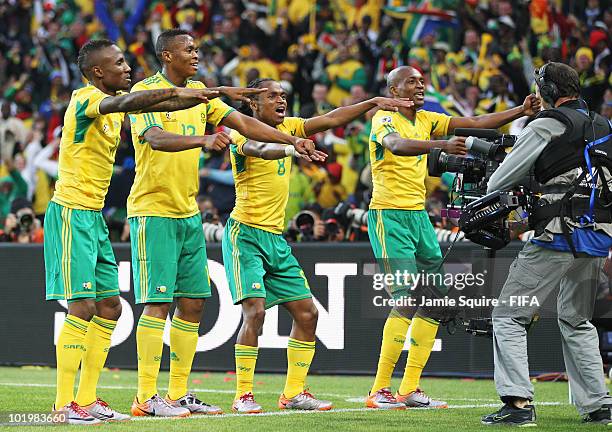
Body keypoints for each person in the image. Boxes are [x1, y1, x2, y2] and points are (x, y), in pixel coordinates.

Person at [127, 29, 319, 418]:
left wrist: (290, 141)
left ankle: (178, 394)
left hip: (188, 212)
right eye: (189, 49)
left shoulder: (199, 92)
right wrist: (201, 142)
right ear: (167, 55)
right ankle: (146, 396)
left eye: (197, 48)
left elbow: (244, 125)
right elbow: (156, 138)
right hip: (153, 209)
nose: (196, 54)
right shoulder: (146, 93)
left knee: (194, 304)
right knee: (158, 303)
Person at [44, 38, 220, 425]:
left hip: (94, 217)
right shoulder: (86, 98)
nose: (127, 68)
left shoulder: (110, 106)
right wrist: (177, 91)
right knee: (83, 307)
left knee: (111, 307)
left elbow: (165, 104)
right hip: (71, 213)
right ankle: (62, 406)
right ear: (97, 72)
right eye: (119, 63)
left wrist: (210, 94)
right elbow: (128, 102)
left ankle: (87, 399)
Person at [223, 77, 412, 413]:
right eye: (272, 96)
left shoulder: (292, 126)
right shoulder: (243, 132)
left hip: (275, 239)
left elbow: (333, 118)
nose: (281, 100)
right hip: (245, 235)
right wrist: (291, 146)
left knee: (308, 314)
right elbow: (259, 149)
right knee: (255, 312)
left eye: (283, 95)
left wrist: (371, 103)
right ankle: (243, 395)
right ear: (253, 103)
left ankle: (293, 393)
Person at [365, 65, 542, 410]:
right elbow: (397, 146)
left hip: (418, 218)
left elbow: (474, 123)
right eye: (411, 81)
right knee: (405, 297)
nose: (420, 85)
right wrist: (442, 144)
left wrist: (519, 111)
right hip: (389, 216)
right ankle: (378, 390)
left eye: (421, 80)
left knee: (437, 300)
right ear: (394, 90)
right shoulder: (383, 117)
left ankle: (410, 389)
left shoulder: (427, 117)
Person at [482, 62, 612, 426]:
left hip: (557, 232)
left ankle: (518, 405)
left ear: (550, 92)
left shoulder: (549, 123)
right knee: (577, 319)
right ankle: (599, 405)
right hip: (599, 235)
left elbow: (500, 180)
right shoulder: (605, 125)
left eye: (540, 89)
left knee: (508, 315)